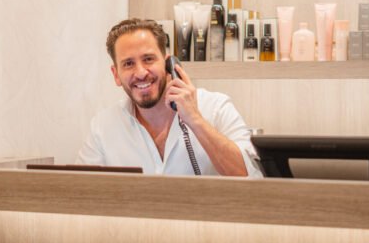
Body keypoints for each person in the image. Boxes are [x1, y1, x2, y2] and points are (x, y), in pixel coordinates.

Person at [77, 18, 261, 177]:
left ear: (168, 64)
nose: (140, 73)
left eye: (148, 59)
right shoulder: (102, 127)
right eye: (128, 64)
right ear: (116, 74)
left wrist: (195, 120)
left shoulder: (216, 108)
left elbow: (250, 177)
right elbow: (80, 191)